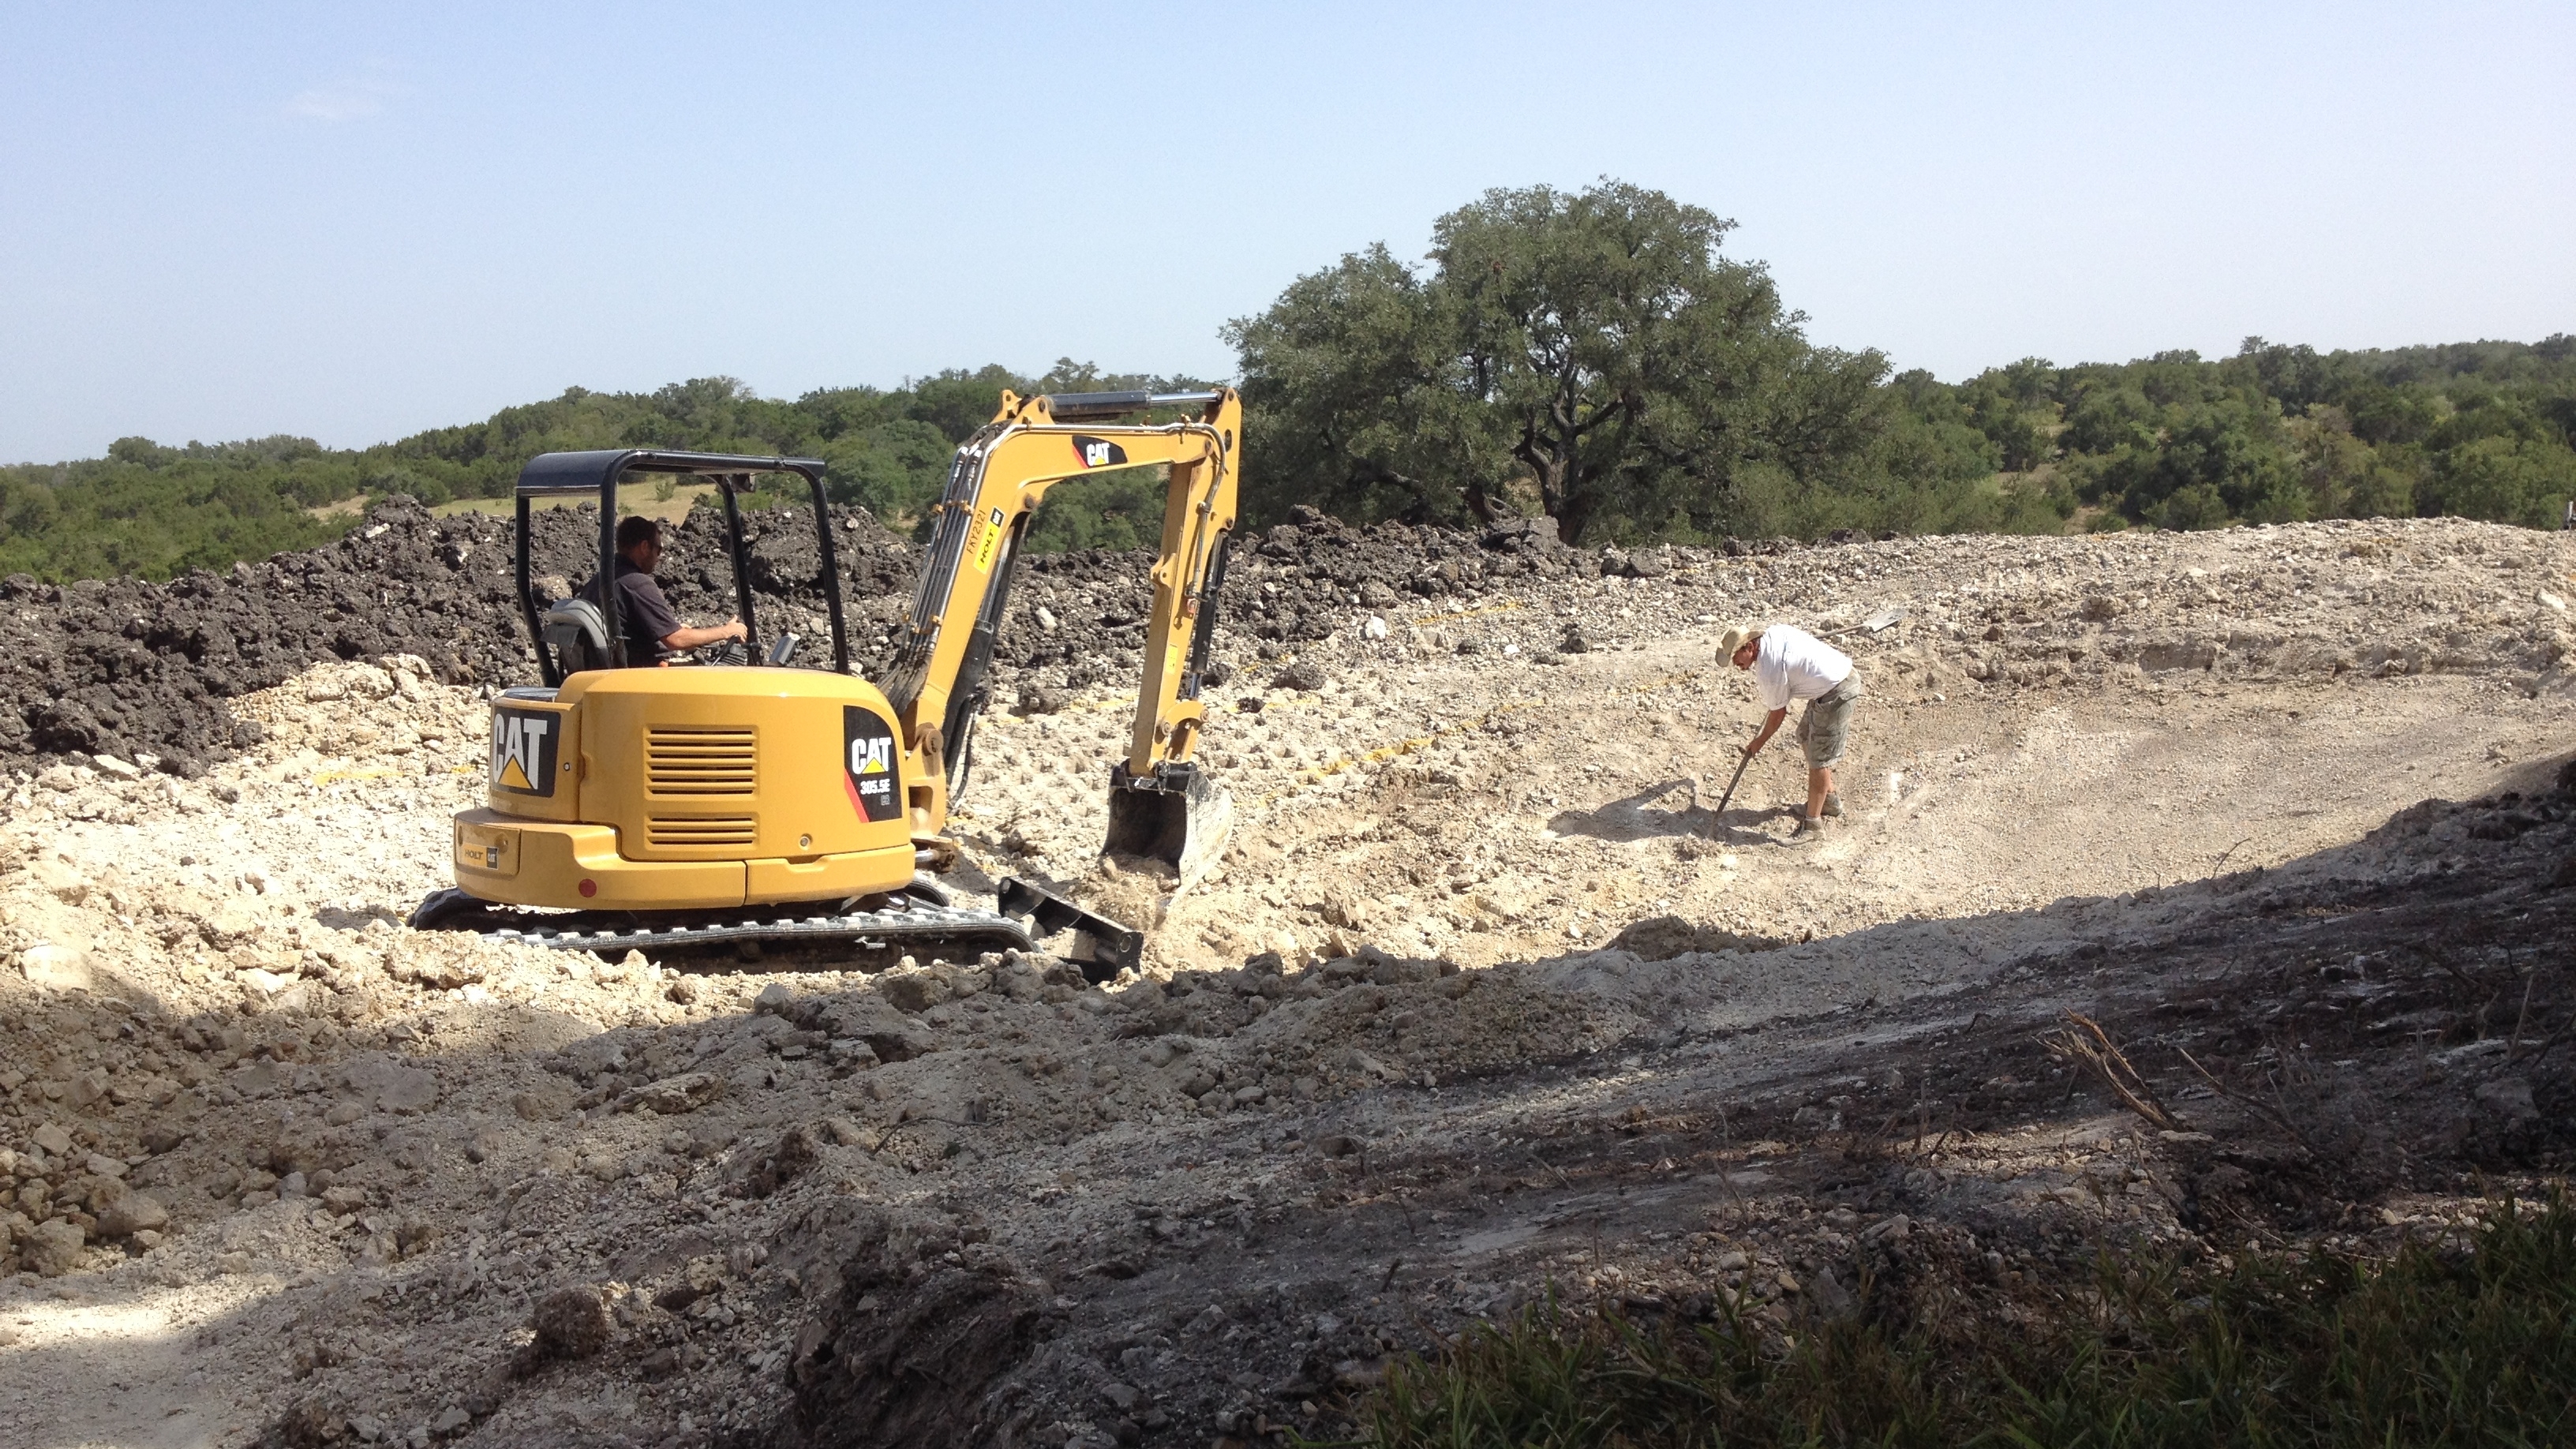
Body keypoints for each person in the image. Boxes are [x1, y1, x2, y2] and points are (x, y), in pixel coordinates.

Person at [1716, 621, 1865, 842]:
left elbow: (1778, 714)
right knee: (1805, 736)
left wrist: (1759, 742)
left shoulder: (1769, 668)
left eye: (1736, 658)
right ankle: (1829, 801)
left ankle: (1813, 825)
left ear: (1749, 648)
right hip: (1829, 683)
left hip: (1838, 689)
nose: (1735, 664)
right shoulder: (1774, 633)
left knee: (1818, 759)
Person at [588, 516, 747, 666]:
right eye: (659, 549)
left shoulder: (597, 582)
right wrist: (726, 631)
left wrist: (669, 627)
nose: (659, 557)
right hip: (641, 675)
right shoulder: (637, 583)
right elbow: (676, 640)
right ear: (644, 547)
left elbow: (626, 628)